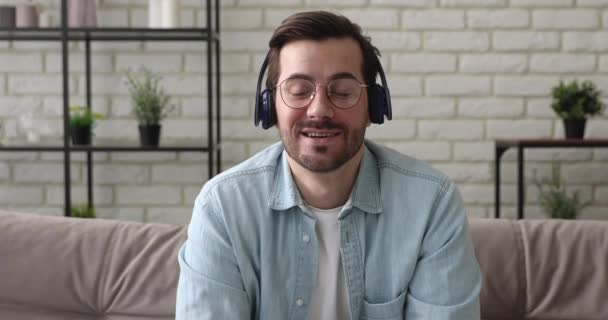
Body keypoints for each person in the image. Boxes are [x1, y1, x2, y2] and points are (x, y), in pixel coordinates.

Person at [176, 10, 481, 320]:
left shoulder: (431, 203)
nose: (319, 109)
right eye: (298, 91)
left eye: (343, 92)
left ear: (373, 106)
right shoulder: (222, 207)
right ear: (269, 107)